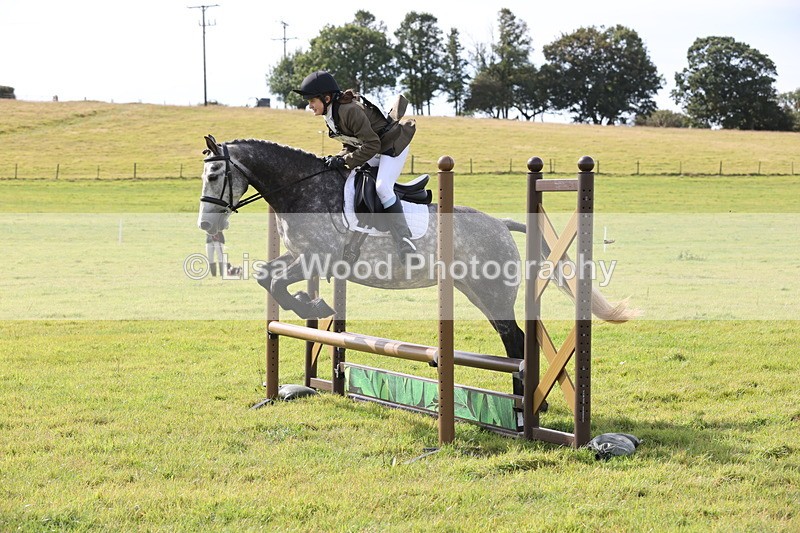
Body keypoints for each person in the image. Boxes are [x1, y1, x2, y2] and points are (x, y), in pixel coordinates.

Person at [293, 70, 418, 262]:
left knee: (382, 187)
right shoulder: (331, 114)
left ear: (326, 98)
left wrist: (345, 161)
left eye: (312, 101)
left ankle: (404, 241)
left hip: (392, 146)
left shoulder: (348, 110)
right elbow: (351, 143)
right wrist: (338, 158)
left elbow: (372, 144)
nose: (309, 105)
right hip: (371, 148)